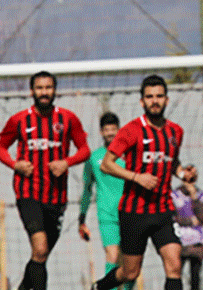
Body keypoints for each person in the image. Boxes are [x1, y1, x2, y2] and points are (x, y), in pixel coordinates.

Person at [91, 75, 197, 290]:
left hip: (163, 210)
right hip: (134, 212)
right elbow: (107, 164)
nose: (154, 101)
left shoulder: (175, 132)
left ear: (166, 100)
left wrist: (183, 174)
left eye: (159, 96)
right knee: (130, 272)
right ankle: (100, 287)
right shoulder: (131, 131)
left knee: (174, 264)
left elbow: (171, 161)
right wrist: (136, 177)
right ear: (142, 102)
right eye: (149, 97)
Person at [0, 71, 91, 290]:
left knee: (41, 255)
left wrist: (67, 162)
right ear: (32, 91)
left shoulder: (68, 119)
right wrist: (15, 164)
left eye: (48, 88)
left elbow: (84, 149)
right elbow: (0, 148)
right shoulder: (19, 120)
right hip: (27, 192)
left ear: (55, 90)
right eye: (40, 88)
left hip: (56, 196)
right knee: (40, 248)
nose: (44, 92)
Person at [79, 112, 135, 290]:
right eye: (106, 129)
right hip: (107, 215)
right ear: (101, 132)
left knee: (131, 262)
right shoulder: (94, 158)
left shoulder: (130, 155)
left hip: (130, 212)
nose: (110, 133)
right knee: (112, 255)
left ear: (119, 130)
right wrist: (82, 217)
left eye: (113, 129)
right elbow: (87, 189)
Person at [171, 166, 203, 290]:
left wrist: (194, 197)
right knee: (176, 274)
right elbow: (174, 218)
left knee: (195, 277)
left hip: (196, 243)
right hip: (180, 242)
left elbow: (202, 219)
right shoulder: (175, 195)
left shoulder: (200, 196)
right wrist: (190, 221)